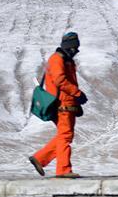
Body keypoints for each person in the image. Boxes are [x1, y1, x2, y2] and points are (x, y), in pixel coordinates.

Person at [29, 32, 87, 179]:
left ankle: (40, 158)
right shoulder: (57, 59)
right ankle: (63, 169)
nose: (76, 51)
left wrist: (75, 99)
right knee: (65, 136)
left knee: (64, 135)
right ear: (70, 47)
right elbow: (60, 80)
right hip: (62, 104)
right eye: (75, 47)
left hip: (67, 103)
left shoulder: (65, 59)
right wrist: (77, 93)